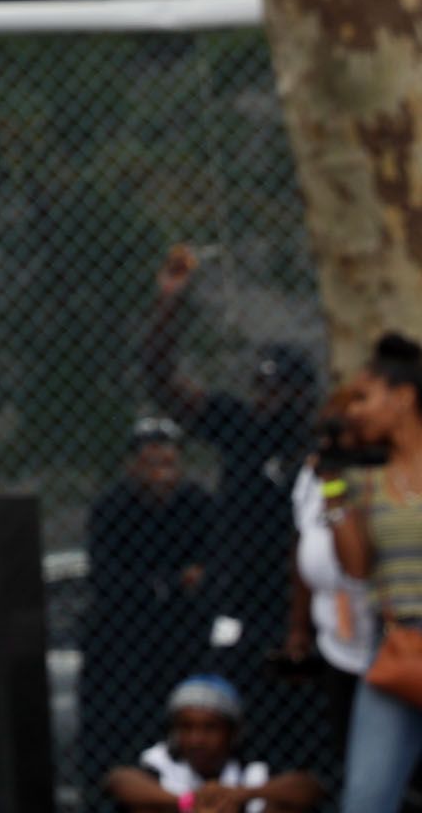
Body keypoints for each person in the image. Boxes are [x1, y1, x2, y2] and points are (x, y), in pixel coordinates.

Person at [143, 248, 322, 637]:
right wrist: (169, 302)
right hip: (236, 604)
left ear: (302, 395)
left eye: (277, 390)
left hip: (301, 606)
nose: (264, 398)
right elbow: (161, 380)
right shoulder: (239, 424)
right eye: (260, 386)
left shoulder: (319, 446)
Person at [87, 421, 223, 778]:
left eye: (169, 463)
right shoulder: (111, 509)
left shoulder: (197, 504)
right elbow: (109, 579)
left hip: (183, 639)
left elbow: (213, 567)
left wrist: (184, 584)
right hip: (127, 644)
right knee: (129, 733)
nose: (163, 474)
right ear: (132, 466)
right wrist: (170, 582)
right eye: (152, 464)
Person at [329, 334, 422, 813]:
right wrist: (333, 490)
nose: (355, 412)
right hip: (399, 650)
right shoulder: (366, 478)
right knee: (365, 800)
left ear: (403, 397)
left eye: (364, 398)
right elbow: (357, 567)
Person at [289, 381, 380, 767]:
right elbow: (303, 545)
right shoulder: (314, 475)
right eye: (324, 431)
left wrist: (336, 483)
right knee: (347, 755)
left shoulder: (385, 476)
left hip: (386, 643)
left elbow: (357, 565)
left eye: (340, 431)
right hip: (336, 641)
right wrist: (298, 627)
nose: (329, 442)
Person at [108, 674, 324, 811]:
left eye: (210, 728)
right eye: (186, 727)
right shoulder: (161, 762)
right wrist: (187, 803)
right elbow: (118, 781)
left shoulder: (252, 770)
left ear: (233, 732)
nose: (196, 739)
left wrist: (241, 795)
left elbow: (309, 787)